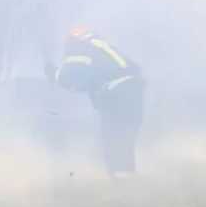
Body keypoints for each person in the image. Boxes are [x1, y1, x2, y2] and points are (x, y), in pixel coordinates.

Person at [46, 27, 145, 177]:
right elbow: (85, 82)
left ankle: (121, 180)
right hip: (135, 91)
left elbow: (71, 77)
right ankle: (127, 178)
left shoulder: (79, 47)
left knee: (113, 136)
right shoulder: (101, 47)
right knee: (126, 136)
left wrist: (54, 74)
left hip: (116, 94)